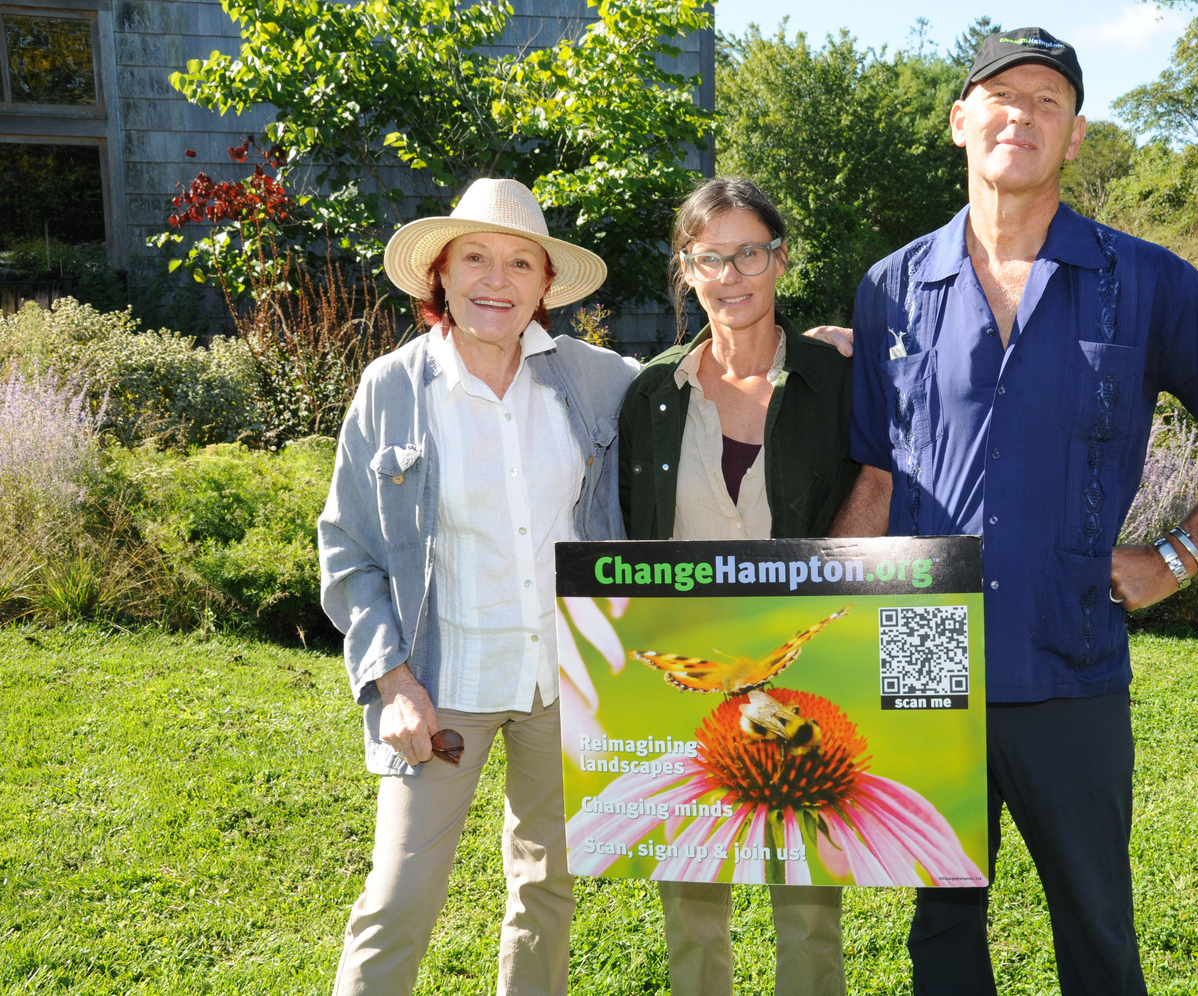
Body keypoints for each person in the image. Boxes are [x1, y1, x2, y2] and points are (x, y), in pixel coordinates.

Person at [829, 27, 1198, 996]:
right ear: (961, 120)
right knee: (941, 924)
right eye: (1000, 95)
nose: (1023, 114)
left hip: (1072, 653)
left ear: (1077, 136)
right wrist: (818, 618)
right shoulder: (890, 289)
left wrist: (1177, 557)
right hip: (927, 650)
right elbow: (879, 476)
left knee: (1095, 923)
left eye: (1049, 101)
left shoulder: (1146, 281)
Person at [317, 177, 636, 996]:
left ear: (543, 286)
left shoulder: (595, 379)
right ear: (443, 277)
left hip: (562, 681)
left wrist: (792, 346)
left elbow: (700, 381)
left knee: (546, 890)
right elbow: (347, 549)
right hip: (439, 684)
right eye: (477, 259)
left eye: (519, 263)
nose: (497, 280)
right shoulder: (392, 388)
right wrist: (392, 683)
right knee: (398, 900)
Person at [617, 177, 861, 996]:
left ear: (781, 260)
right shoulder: (651, 393)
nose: (732, 275)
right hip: (680, 667)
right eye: (709, 258)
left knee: (807, 893)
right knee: (689, 890)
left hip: (806, 660)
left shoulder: (836, 378)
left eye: (749, 252)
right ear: (686, 271)